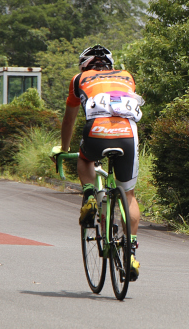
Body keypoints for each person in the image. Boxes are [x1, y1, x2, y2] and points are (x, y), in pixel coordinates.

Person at [53, 45, 143, 281]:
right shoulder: (127, 75)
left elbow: (69, 119)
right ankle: (131, 251)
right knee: (129, 194)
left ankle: (91, 194)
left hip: (96, 130)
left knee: (86, 159)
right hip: (127, 134)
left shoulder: (78, 79)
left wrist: (63, 149)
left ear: (84, 65)